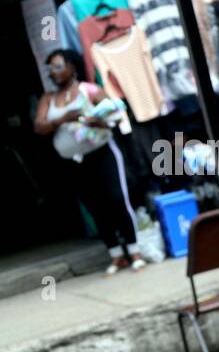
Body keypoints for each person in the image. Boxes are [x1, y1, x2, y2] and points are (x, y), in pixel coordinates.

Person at [33, 49, 144, 274]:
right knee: (95, 207)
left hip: (102, 153)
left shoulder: (90, 90)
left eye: (57, 66)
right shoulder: (48, 99)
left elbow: (115, 116)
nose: (52, 72)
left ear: (72, 66)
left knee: (116, 198)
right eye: (50, 68)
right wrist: (64, 118)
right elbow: (39, 126)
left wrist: (94, 121)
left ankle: (134, 251)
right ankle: (115, 255)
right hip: (73, 162)